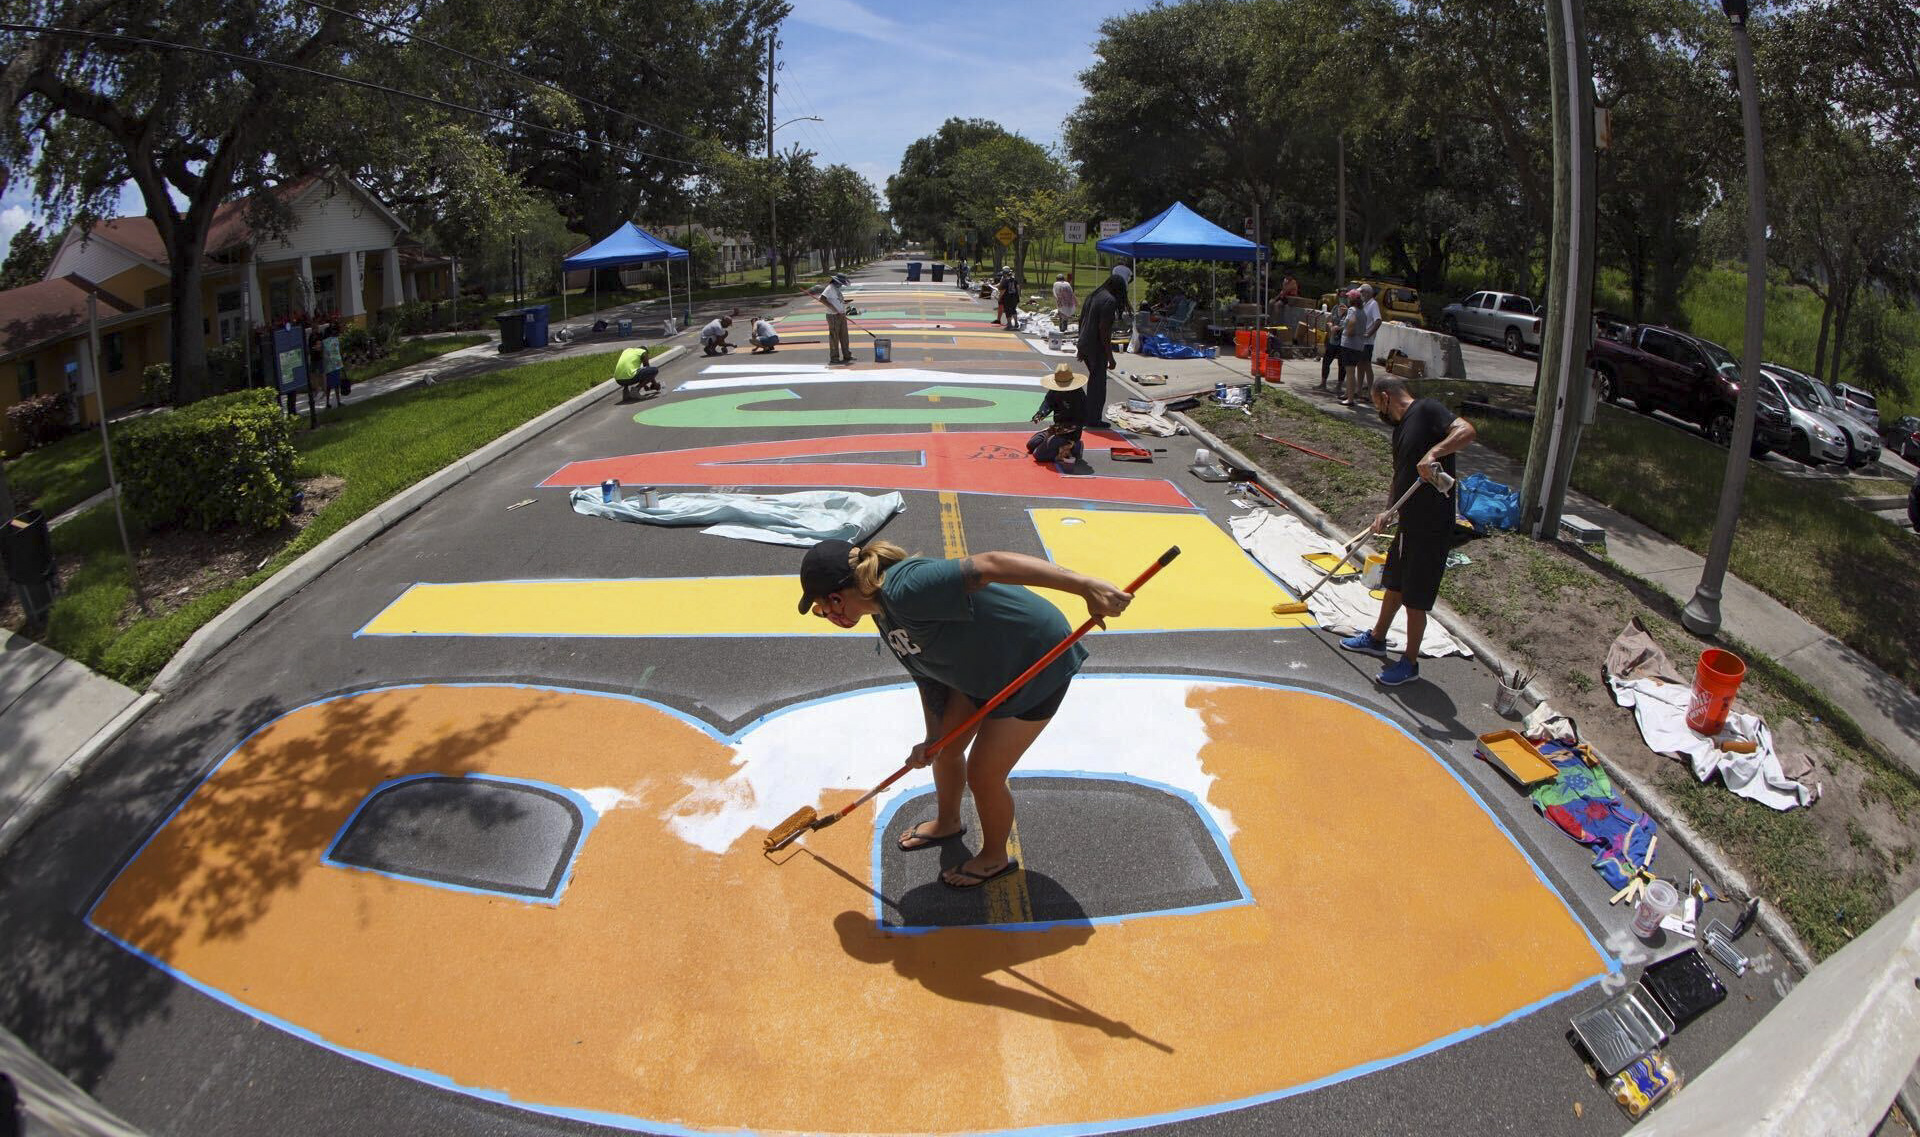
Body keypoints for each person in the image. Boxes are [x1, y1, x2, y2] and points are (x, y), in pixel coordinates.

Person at [796, 539, 1132, 887]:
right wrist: (932, 738)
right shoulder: (882, 613)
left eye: (821, 609)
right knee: (945, 751)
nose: (827, 616)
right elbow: (927, 677)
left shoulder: (906, 587)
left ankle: (994, 858)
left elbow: (991, 563)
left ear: (836, 598)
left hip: (1035, 658)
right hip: (981, 663)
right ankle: (948, 823)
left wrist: (1086, 586)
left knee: (984, 775)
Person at [1339, 377, 1476, 686]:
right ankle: (1377, 639)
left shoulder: (1427, 410)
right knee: (1395, 583)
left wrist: (1433, 454)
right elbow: (1399, 476)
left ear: (1386, 397)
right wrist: (1387, 511)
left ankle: (1410, 663)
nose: (1380, 412)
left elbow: (1466, 430)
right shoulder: (1400, 430)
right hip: (1408, 521)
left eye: (1377, 405)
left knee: (1415, 597)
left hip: (1432, 525)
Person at [1075, 265, 1131, 429]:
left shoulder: (1093, 295)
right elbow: (1104, 330)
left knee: (1094, 381)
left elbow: (1081, 321)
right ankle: (1093, 419)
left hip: (1085, 342)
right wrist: (1110, 356)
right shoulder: (1109, 301)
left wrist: (1080, 345)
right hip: (1096, 346)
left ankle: (1089, 414)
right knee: (1098, 384)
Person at [1026, 363, 1088, 475]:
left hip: (1070, 433)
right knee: (1031, 444)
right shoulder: (1055, 390)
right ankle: (1057, 446)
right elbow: (1048, 402)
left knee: (1038, 455)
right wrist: (1041, 413)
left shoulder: (1078, 395)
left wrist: (1066, 428)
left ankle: (1075, 446)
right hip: (1056, 428)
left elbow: (1081, 420)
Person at [813, 273, 853, 364]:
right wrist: (834, 309)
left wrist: (844, 302)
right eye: (840, 283)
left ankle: (847, 354)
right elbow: (822, 299)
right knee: (834, 337)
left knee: (844, 336)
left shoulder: (836, 289)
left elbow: (836, 300)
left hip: (841, 315)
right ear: (836, 281)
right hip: (833, 316)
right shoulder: (830, 288)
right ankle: (834, 357)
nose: (841, 285)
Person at [1339, 290, 1367, 405]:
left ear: (1353, 299)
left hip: (1349, 344)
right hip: (1359, 345)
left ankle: (1350, 399)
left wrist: (1348, 332)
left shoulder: (1352, 310)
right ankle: (1348, 393)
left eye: (1349, 297)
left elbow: (1352, 322)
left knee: (1350, 372)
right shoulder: (1362, 312)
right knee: (1351, 370)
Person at [1357, 283, 1383, 397]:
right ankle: (1359, 390)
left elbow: (1378, 321)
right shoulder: (1364, 304)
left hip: (1367, 341)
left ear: (1367, 293)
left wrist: (1369, 333)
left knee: (1367, 365)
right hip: (1360, 339)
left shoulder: (1373, 304)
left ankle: (1370, 392)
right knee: (1360, 364)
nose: (1360, 294)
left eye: (1362, 292)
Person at [1320, 296, 1348, 392]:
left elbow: (1349, 324)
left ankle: (1339, 386)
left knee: (1342, 364)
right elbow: (1331, 318)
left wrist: (1339, 328)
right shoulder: (1335, 308)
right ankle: (1323, 383)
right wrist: (1331, 325)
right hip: (1332, 339)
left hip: (1343, 341)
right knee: (1326, 361)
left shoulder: (1350, 311)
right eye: (1341, 295)